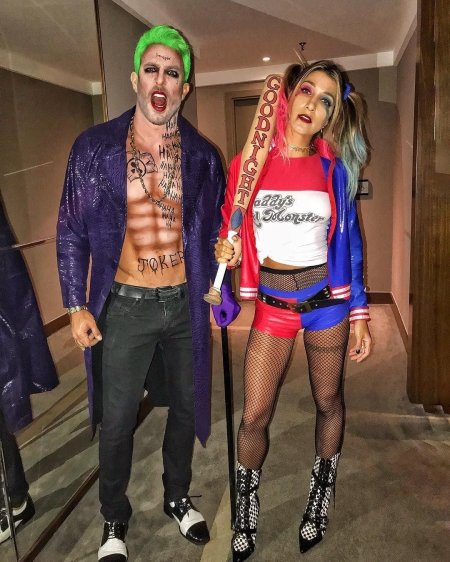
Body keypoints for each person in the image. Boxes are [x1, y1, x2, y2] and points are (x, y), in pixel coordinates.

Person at [57, 25, 238, 562]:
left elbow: (215, 229)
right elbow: (70, 229)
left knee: (185, 406)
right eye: (153, 69)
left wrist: (224, 253)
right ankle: (114, 515)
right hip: (126, 307)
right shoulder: (94, 148)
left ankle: (177, 495)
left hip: (183, 304)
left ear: (185, 87)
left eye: (173, 72)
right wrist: (75, 304)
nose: (162, 80)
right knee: (117, 421)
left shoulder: (202, 157)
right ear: (136, 78)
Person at [215, 60, 372, 560]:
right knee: (254, 415)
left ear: (331, 116)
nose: (313, 104)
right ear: (289, 95)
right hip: (274, 306)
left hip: (327, 304)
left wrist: (360, 313)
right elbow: (231, 226)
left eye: (326, 101)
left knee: (329, 401)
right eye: (307, 90)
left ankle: (321, 494)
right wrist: (227, 248)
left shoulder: (334, 169)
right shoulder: (249, 164)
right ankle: (246, 507)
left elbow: (350, 243)